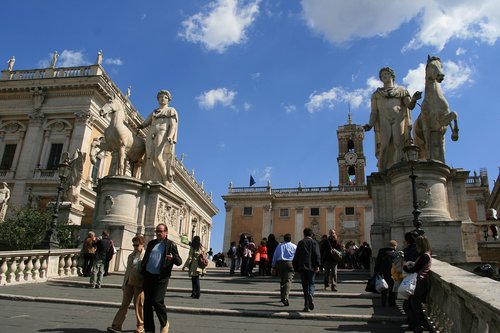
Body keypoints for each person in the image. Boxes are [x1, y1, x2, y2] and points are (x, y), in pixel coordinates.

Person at [364, 67, 422, 171]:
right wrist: (370, 124)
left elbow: (410, 106)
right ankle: (382, 169)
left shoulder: (402, 91)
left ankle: (398, 168)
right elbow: (374, 112)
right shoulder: (376, 94)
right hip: (384, 121)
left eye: (386, 74)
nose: (384, 76)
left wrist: (414, 99)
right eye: (382, 76)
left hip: (398, 119)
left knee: (398, 144)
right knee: (384, 145)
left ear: (392, 75)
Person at [141, 223, 182, 333]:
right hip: (149, 276)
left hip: (161, 277)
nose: (158, 233)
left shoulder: (170, 245)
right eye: (157, 231)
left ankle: (164, 323)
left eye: (160, 231)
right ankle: (149, 329)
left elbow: (179, 262)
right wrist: (142, 271)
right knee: (147, 303)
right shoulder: (151, 243)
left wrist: (173, 258)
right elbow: (146, 258)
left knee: (157, 301)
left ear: (166, 232)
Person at [138, 90, 178, 185]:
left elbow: (173, 125)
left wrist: (170, 136)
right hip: (151, 134)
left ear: (168, 100)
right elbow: (145, 123)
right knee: (149, 157)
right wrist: (139, 126)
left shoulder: (170, 110)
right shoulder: (154, 112)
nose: (162, 99)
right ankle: (150, 177)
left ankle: (165, 179)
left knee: (157, 156)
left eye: (165, 97)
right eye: (161, 97)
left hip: (162, 133)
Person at [107, 235, 146, 333]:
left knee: (139, 305)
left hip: (139, 284)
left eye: (137, 245)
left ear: (142, 244)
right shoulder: (130, 256)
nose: (135, 247)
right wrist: (124, 283)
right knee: (124, 304)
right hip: (129, 282)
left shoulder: (146, 256)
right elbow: (128, 271)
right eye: (134, 245)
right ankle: (117, 325)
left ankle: (140, 325)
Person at [403, 236, 432, 333]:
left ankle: (421, 325)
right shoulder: (424, 255)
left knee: (414, 305)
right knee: (409, 304)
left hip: (419, 282)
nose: (416, 246)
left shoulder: (424, 256)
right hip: (418, 282)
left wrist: (405, 267)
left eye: (417, 244)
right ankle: (416, 325)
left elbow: (415, 269)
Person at [293, 228, 321, 312]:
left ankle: (306, 305)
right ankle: (311, 294)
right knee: (311, 283)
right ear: (311, 234)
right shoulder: (314, 242)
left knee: (304, 286)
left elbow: (296, 256)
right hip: (312, 267)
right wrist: (317, 265)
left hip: (302, 267)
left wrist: (295, 268)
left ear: (304, 234)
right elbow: (317, 254)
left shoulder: (301, 243)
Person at [271, 233, 296, 306]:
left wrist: (273, 266)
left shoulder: (279, 246)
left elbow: (275, 256)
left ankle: (282, 297)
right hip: (290, 263)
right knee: (288, 281)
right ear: (290, 239)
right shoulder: (294, 246)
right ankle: (285, 297)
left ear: (284, 239)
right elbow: (296, 256)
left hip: (280, 263)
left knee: (282, 280)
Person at [374, 240, 398, 307]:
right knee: (392, 290)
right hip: (392, 273)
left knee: (383, 288)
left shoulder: (381, 252)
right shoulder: (395, 253)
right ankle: (392, 303)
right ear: (394, 246)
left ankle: (383, 303)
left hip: (382, 273)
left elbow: (377, 263)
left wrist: (376, 272)